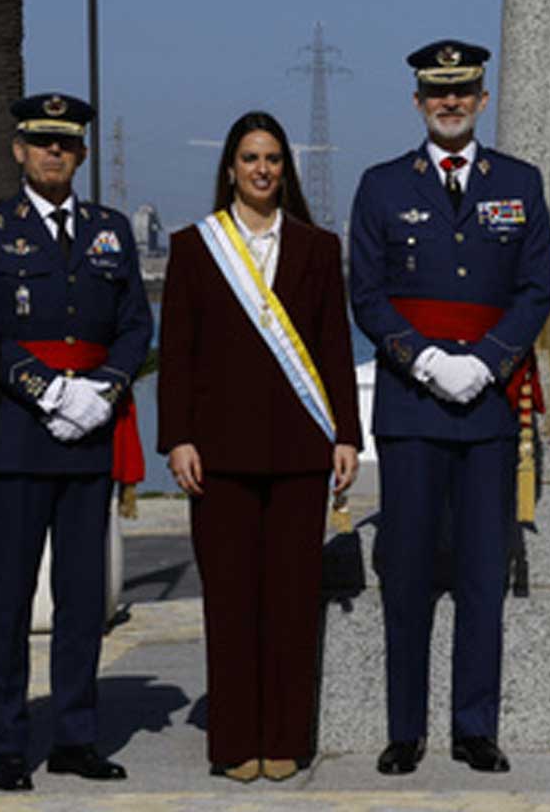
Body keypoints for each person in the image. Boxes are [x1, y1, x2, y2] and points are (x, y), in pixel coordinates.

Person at [350, 39, 550, 776]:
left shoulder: (520, 183)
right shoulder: (381, 186)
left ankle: (474, 727)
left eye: (463, 91)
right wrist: (428, 361)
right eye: (438, 92)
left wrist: (488, 362)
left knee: (480, 574)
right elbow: (367, 293)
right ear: (417, 102)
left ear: (482, 100)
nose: (450, 102)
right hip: (412, 408)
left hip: (489, 409)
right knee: (405, 574)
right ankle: (405, 730)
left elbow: (536, 288)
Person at [158, 111, 362, 783]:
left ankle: (285, 737)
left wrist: (346, 435)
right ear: (230, 169)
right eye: (250, 158)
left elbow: (333, 347)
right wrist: (177, 438)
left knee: (291, 600)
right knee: (231, 599)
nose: (262, 169)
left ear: (285, 168)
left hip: (300, 451)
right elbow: (177, 352)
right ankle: (234, 740)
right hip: (219, 453)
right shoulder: (196, 247)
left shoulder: (317, 247)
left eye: (272, 158)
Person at [0, 93, 151, 792]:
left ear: (81, 153)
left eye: (66, 143)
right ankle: (5, 744)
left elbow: (135, 324)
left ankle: (76, 735)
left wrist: (102, 388)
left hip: (89, 435)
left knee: (82, 597)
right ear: (19, 149)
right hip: (19, 435)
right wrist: (45, 390)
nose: (54, 152)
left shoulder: (110, 230)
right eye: (42, 141)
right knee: (9, 599)